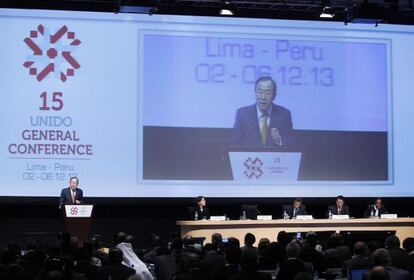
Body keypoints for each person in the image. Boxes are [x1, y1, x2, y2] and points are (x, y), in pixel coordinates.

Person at [231, 76, 293, 148]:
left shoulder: (284, 115)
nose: (263, 97)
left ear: (274, 95)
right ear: (255, 93)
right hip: (250, 158)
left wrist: (279, 141)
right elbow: (234, 144)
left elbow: (291, 145)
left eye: (267, 92)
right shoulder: (242, 114)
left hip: (274, 158)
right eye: (260, 92)